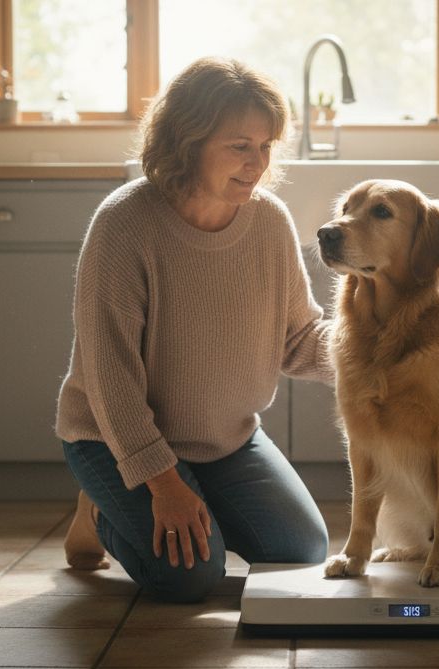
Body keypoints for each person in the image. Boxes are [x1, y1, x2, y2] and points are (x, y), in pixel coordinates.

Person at [56, 57, 335, 603]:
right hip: (112, 437)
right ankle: (99, 511)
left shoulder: (270, 222)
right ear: (188, 140)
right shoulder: (124, 223)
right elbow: (109, 380)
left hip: (226, 439)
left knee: (301, 551)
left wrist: (377, 350)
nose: (257, 164)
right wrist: (163, 483)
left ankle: (184, 494)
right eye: (239, 146)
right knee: (190, 577)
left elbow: (300, 339)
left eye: (266, 146)